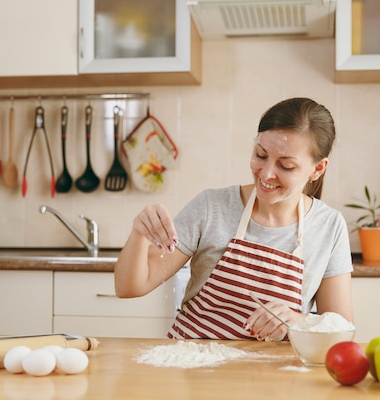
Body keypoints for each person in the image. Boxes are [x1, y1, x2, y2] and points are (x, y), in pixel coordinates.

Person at [115, 97, 353, 341]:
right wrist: (139, 234)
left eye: (286, 166)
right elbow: (129, 288)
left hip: (273, 375)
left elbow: (341, 330)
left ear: (318, 169)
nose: (267, 173)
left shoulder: (329, 226)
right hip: (190, 367)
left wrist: (300, 321)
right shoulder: (211, 207)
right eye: (261, 155)